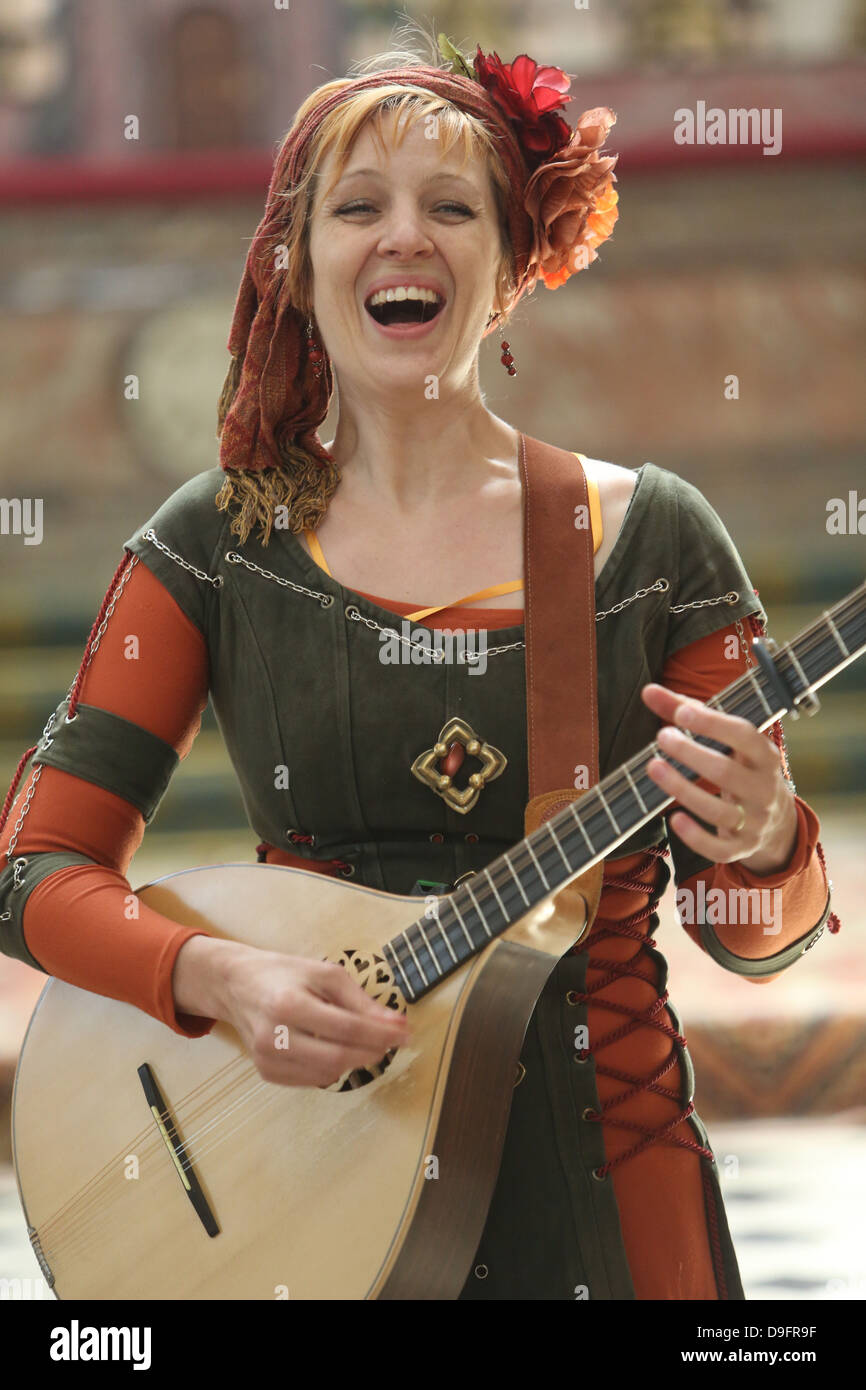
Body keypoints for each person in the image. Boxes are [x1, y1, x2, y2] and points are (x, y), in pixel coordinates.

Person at [0, 30, 837, 1301]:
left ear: (510, 262)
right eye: (356, 207)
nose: (404, 237)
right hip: (303, 1189)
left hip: (607, 1186)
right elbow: (30, 869)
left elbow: (757, 944)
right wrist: (217, 975)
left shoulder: (649, 540)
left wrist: (766, 841)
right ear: (296, 258)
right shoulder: (215, 548)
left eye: (452, 206)